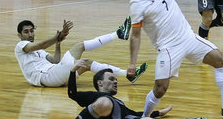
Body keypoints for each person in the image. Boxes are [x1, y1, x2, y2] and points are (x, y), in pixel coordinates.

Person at [44, 59, 208, 119]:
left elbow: (133, 114)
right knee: (104, 103)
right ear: (100, 83)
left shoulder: (119, 103)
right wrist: (72, 71)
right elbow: (72, 94)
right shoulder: (94, 97)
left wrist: (158, 113)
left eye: (116, 79)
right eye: (111, 79)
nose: (116, 82)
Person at [15, 18, 148, 87]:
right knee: (80, 46)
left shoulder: (39, 51)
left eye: (32, 30)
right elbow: (42, 44)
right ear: (19, 35)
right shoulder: (21, 46)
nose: (30, 34)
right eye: (26, 32)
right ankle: (117, 34)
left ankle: (128, 74)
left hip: (54, 75)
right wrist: (58, 36)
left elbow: (55, 60)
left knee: (87, 64)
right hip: (47, 77)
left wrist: (58, 43)